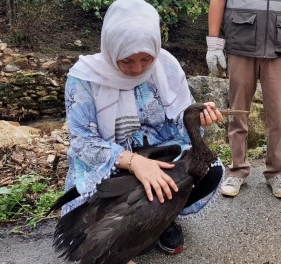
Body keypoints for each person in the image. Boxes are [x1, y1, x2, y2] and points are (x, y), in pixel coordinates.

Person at [61, 0, 224, 255]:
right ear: (111, 48)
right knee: (103, 219)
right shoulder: (84, 78)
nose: (137, 69)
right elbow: (82, 141)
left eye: (146, 58)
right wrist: (134, 162)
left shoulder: (166, 66)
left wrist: (195, 119)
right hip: (112, 160)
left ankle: (162, 220)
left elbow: (178, 123)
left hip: (158, 151)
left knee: (208, 169)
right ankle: (129, 228)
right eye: (126, 60)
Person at [206, 0, 281, 198]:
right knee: (238, 113)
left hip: (280, 45)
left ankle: (275, 172)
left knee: (279, 117)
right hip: (241, 41)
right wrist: (214, 44)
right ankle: (238, 170)